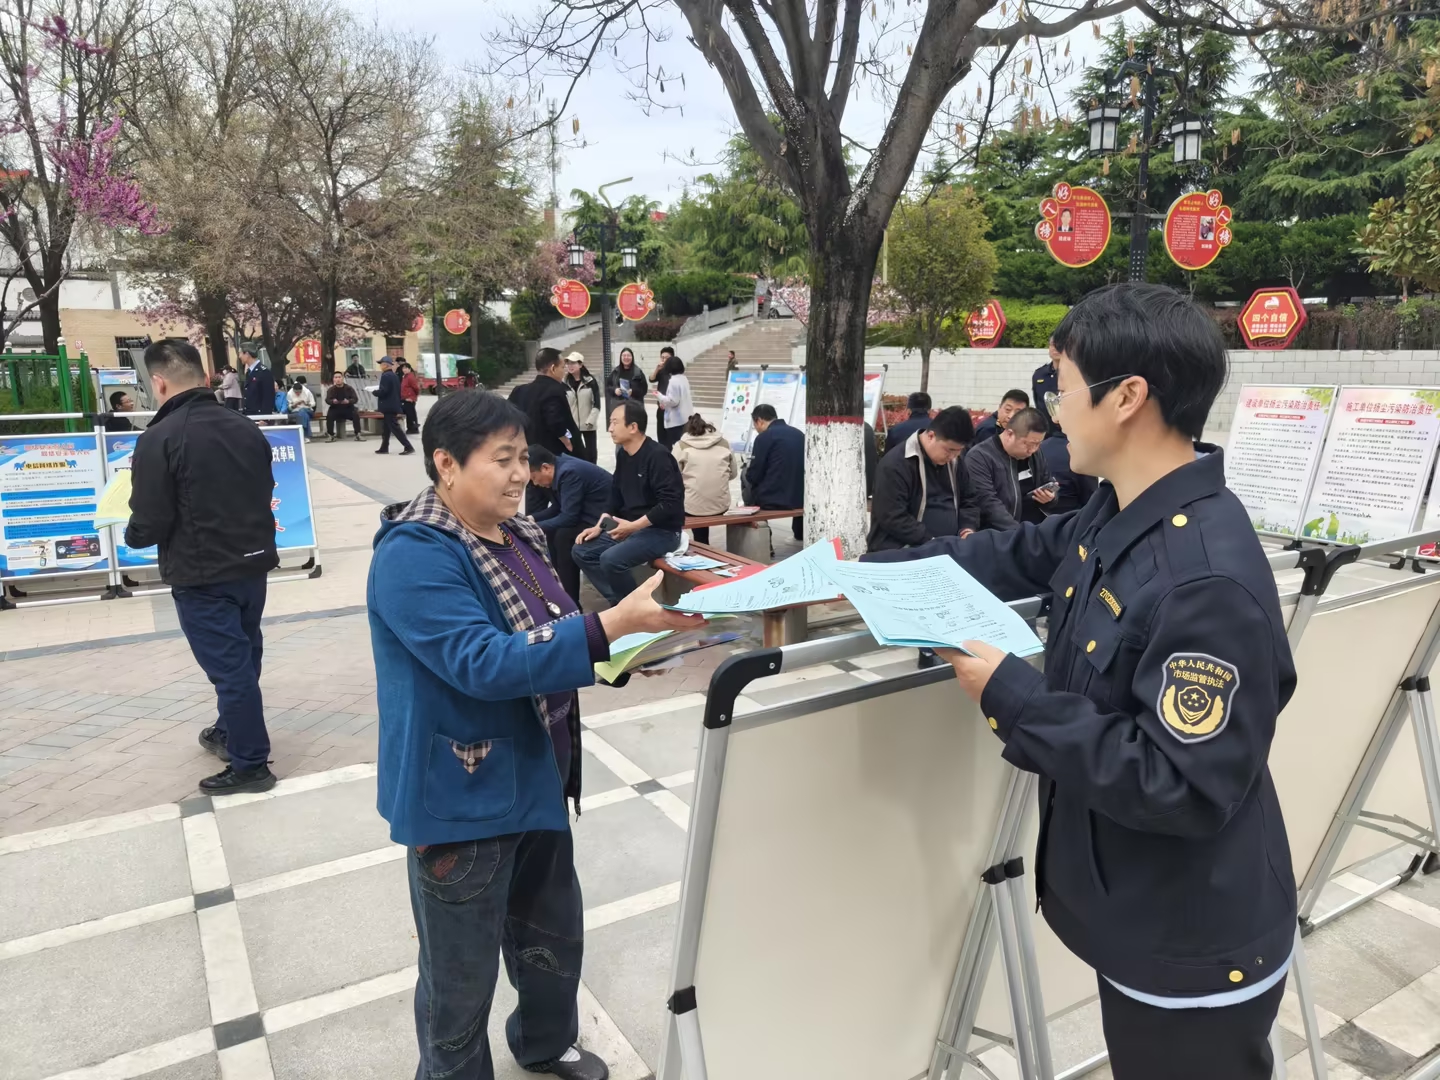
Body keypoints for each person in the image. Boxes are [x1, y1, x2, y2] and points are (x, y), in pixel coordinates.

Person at [863, 282, 1297, 1080]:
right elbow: (1016, 554)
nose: (1052, 411)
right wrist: (863, 575)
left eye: (1060, 386)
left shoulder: (1205, 578)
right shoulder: (1123, 508)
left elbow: (1181, 785)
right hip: (1140, 911)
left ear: (1127, 397)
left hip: (1191, 947)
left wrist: (1011, 694)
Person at [368, 390, 699, 1080]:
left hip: (539, 774)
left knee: (551, 936)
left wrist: (630, 646)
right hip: (463, 797)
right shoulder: (415, 553)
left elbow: (555, 632)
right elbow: (480, 661)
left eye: (523, 457)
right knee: (459, 978)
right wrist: (609, 625)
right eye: (503, 459)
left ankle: (546, 1042)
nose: (521, 473)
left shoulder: (519, 535)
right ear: (446, 464)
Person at [125, 339, 279, 794]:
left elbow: (150, 520)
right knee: (244, 657)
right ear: (204, 375)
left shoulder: (159, 438)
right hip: (251, 566)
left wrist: (131, 533)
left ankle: (251, 764)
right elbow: (264, 489)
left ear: (158, 382)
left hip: (202, 573)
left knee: (230, 669)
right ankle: (230, 731)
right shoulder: (245, 427)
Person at [571, 400, 686, 605]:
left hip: (662, 532)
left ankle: (635, 607)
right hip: (631, 528)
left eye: (615, 422)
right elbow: (614, 497)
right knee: (581, 551)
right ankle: (622, 603)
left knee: (611, 559)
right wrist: (599, 527)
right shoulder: (623, 454)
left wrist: (633, 527)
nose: (610, 428)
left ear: (633, 427)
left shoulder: (658, 456)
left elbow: (670, 504)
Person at [866, 406, 978, 553]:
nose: (953, 457)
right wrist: (933, 542)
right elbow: (892, 516)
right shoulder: (896, 464)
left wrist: (967, 528)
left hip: (949, 548)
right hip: (904, 550)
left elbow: (969, 499)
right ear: (931, 436)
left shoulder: (956, 462)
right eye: (949, 450)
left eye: (959, 451)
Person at [528, 444, 612, 608]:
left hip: (607, 518)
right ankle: (560, 591)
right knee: (552, 534)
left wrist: (534, 528)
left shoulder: (569, 472)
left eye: (534, 477)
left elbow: (569, 517)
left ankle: (570, 603)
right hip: (588, 514)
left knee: (564, 538)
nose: (535, 483)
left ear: (545, 468)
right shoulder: (559, 470)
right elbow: (558, 508)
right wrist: (532, 519)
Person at [965, 406, 1056, 530]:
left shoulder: (1035, 454)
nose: (1033, 450)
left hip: (1034, 529)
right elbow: (988, 503)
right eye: (1029, 444)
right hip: (1000, 534)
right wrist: (1019, 534)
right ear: (1009, 434)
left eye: (1038, 444)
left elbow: (1047, 481)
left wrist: (1050, 498)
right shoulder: (980, 457)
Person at [672, 413, 736, 544]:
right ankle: (703, 544)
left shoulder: (681, 446)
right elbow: (733, 474)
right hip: (721, 505)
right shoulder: (724, 444)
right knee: (699, 502)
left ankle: (701, 543)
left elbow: (672, 477)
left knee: (690, 502)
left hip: (692, 508)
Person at [746, 403, 805, 541]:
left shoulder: (764, 437)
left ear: (759, 421)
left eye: (754, 425)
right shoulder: (799, 434)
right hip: (800, 498)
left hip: (772, 500)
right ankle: (800, 532)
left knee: (746, 478)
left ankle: (763, 537)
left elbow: (755, 474)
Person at [512, 348, 575, 457]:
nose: (564, 372)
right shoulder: (554, 390)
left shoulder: (520, 391)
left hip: (526, 452)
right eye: (562, 367)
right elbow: (554, 420)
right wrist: (567, 441)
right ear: (553, 368)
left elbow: (509, 417)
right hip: (552, 455)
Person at [1040, 431, 1099, 515]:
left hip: (1042, 512)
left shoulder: (1039, 447)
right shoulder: (1081, 451)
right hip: (1073, 513)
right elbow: (1090, 496)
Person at [563, 352, 601, 463]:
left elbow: (597, 404)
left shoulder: (590, 381)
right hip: (572, 425)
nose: (570, 366)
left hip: (588, 424)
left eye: (573, 363)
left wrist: (590, 421)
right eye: (568, 363)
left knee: (591, 453)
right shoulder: (564, 383)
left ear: (580, 365)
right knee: (575, 453)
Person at [374, 357, 415, 455]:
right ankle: (384, 447)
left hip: (388, 405)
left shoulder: (386, 376)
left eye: (381, 364)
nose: (380, 366)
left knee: (394, 427)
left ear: (386, 365)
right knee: (386, 428)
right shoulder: (394, 375)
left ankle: (408, 446)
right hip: (393, 404)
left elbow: (384, 391)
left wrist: (375, 392)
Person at [652, 353, 692, 449]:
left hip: (676, 421)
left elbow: (673, 401)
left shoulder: (673, 381)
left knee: (675, 447)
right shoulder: (683, 378)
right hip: (685, 418)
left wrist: (659, 396)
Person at [604, 346, 647, 417]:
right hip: (618, 407)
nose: (626, 357)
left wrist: (633, 391)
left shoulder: (638, 372)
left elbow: (644, 389)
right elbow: (608, 387)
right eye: (624, 355)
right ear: (620, 357)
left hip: (635, 407)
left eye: (628, 355)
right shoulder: (615, 372)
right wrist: (615, 390)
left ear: (632, 357)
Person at [1033, 340, 1064, 436]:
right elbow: (1038, 403)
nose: (1055, 348)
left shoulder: (1076, 374)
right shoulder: (1039, 374)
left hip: (1067, 433)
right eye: (1052, 344)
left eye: (1060, 344)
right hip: (1046, 433)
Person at [325, 371, 364, 441]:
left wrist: (348, 401)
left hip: (347, 408)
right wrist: (333, 401)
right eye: (336, 377)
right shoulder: (331, 389)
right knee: (329, 416)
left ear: (342, 378)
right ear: (333, 379)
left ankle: (358, 434)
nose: (338, 379)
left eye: (339, 377)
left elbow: (355, 399)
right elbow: (327, 400)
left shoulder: (349, 388)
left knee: (355, 415)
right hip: (335, 408)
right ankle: (331, 435)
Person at [241, 346, 275, 417]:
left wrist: (265, 417)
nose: (239, 356)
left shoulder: (264, 372)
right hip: (249, 415)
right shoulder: (249, 372)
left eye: (240, 353)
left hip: (259, 416)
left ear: (247, 354)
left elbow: (268, 396)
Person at [286, 376, 315, 440]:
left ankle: (302, 433)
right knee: (303, 415)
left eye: (300, 392)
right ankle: (306, 436)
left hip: (307, 409)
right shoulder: (289, 393)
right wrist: (295, 404)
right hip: (295, 411)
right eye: (296, 392)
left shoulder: (307, 392)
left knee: (302, 411)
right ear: (293, 390)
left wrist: (307, 404)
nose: (298, 394)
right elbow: (289, 407)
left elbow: (313, 403)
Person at [398, 359, 421, 434]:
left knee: (411, 414)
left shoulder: (410, 377)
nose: (404, 370)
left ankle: (414, 428)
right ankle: (410, 428)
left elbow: (416, 388)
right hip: (405, 398)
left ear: (409, 369)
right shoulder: (405, 377)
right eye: (403, 368)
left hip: (409, 399)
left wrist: (412, 397)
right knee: (409, 414)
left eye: (406, 368)